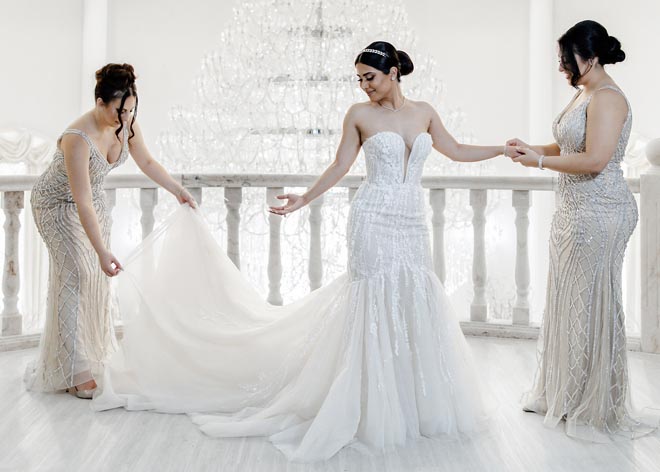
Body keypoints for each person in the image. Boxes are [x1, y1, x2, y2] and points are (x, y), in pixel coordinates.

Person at [92, 42, 512, 461]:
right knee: (373, 303)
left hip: (412, 221)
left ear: (394, 72)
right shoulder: (359, 115)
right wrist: (303, 200)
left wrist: (500, 149)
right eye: (360, 79)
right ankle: (370, 404)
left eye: (371, 77)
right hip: (373, 219)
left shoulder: (424, 112)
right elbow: (339, 166)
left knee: (413, 297)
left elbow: (455, 150)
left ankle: (411, 402)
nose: (364, 86)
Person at [508, 20, 656, 441]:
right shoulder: (584, 93)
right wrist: (533, 149)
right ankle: (565, 391)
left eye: (565, 59)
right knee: (568, 300)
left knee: (590, 302)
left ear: (590, 57)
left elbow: (594, 160)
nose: (561, 67)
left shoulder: (608, 98)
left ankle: (594, 400)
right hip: (573, 209)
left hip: (602, 211)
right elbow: (569, 145)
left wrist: (537, 164)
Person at [25, 63, 196, 399]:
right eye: (119, 110)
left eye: (130, 110)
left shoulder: (127, 124)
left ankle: (89, 353)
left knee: (95, 280)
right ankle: (74, 372)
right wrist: (102, 250)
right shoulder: (77, 138)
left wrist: (176, 189)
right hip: (56, 205)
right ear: (99, 103)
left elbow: (146, 162)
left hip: (93, 205)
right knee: (74, 273)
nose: (125, 118)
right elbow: (81, 201)